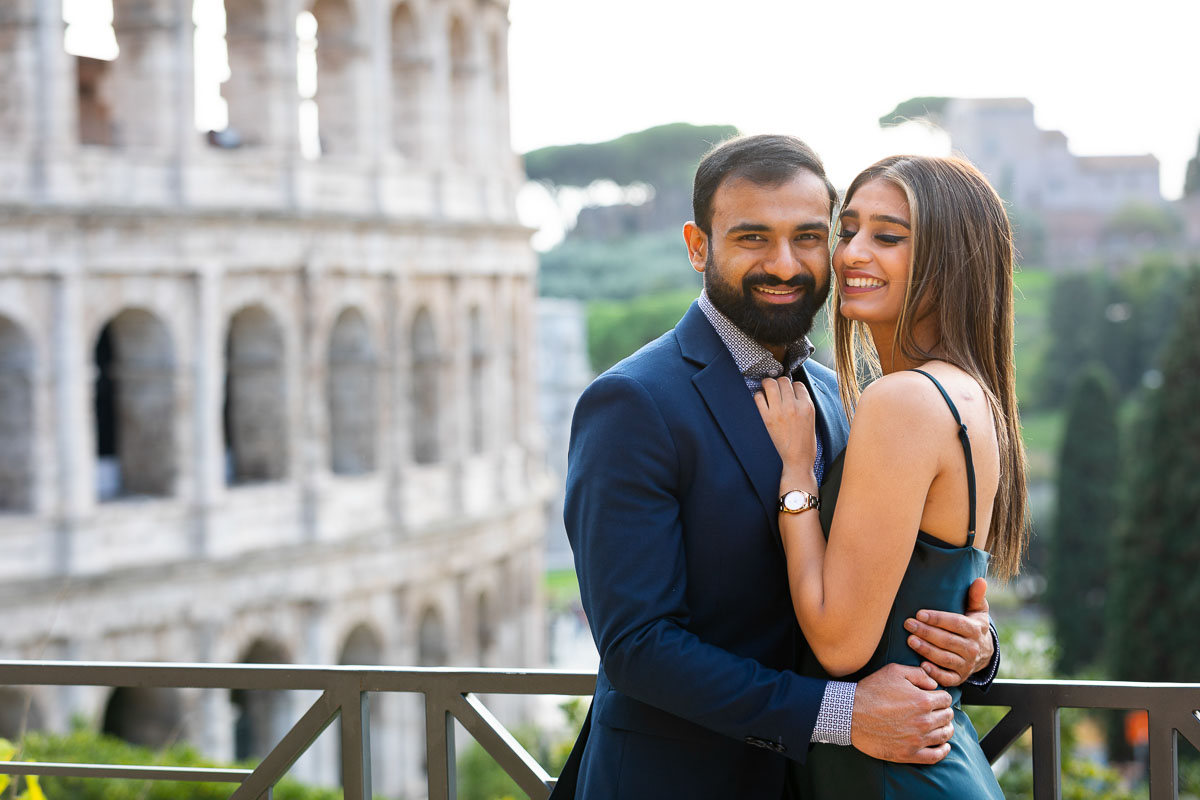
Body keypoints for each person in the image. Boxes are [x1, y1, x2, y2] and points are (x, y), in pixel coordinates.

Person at [550, 136, 999, 800]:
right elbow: (637, 647)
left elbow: (874, 579)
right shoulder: (631, 403)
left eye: (810, 237)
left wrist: (975, 647)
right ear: (698, 245)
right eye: (753, 238)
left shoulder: (843, 398)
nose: (784, 264)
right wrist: (841, 717)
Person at [756, 154, 1027, 798]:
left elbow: (840, 643)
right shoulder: (967, 395)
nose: (852, 253)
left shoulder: (902, 401)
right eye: (846, 229)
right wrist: (981, 647)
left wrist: (797, 479)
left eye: (888, 236)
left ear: (950, 259)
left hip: (893, 771)